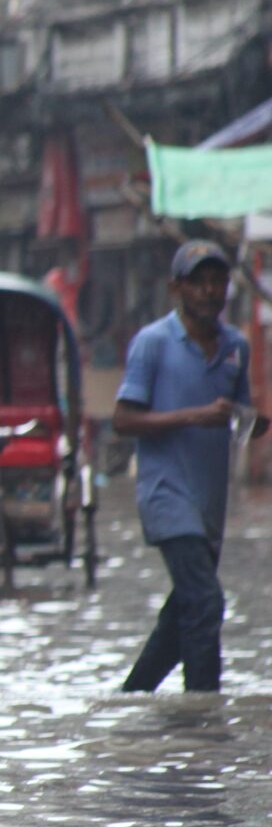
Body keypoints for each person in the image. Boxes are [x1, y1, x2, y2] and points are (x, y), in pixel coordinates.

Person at [117, 241, 261, 694]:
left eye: (217, 282)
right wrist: (195, 416)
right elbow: (124, 419)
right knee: (206, 602)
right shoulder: (153, 344)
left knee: (186, 611)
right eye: (198, 282)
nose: (209, 291)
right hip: (166, 495)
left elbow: (238, 417)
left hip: (209, 504)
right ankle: (204, 713)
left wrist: (249, 423)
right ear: (177, 287)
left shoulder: (236, 346)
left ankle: (133, 696)